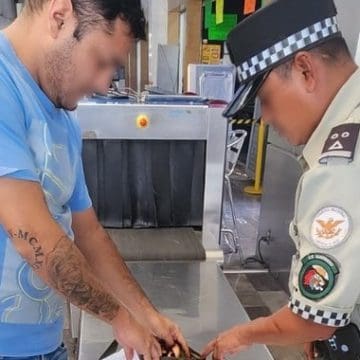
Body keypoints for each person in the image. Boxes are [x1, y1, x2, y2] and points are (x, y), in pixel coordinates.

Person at [0, 1, 189, 359]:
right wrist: (120, 319)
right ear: (59, 17)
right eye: (101, 62)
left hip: (45, 346)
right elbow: (32, 236)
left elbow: (87, 233)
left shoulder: (63, 116)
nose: (104, 84)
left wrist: (144, 315)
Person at [202, 0, 360, 359]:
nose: (266, 119)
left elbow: (315, 321)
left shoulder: (338, 167)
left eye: (267, 100)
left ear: (305, 70)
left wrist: (242, 335)